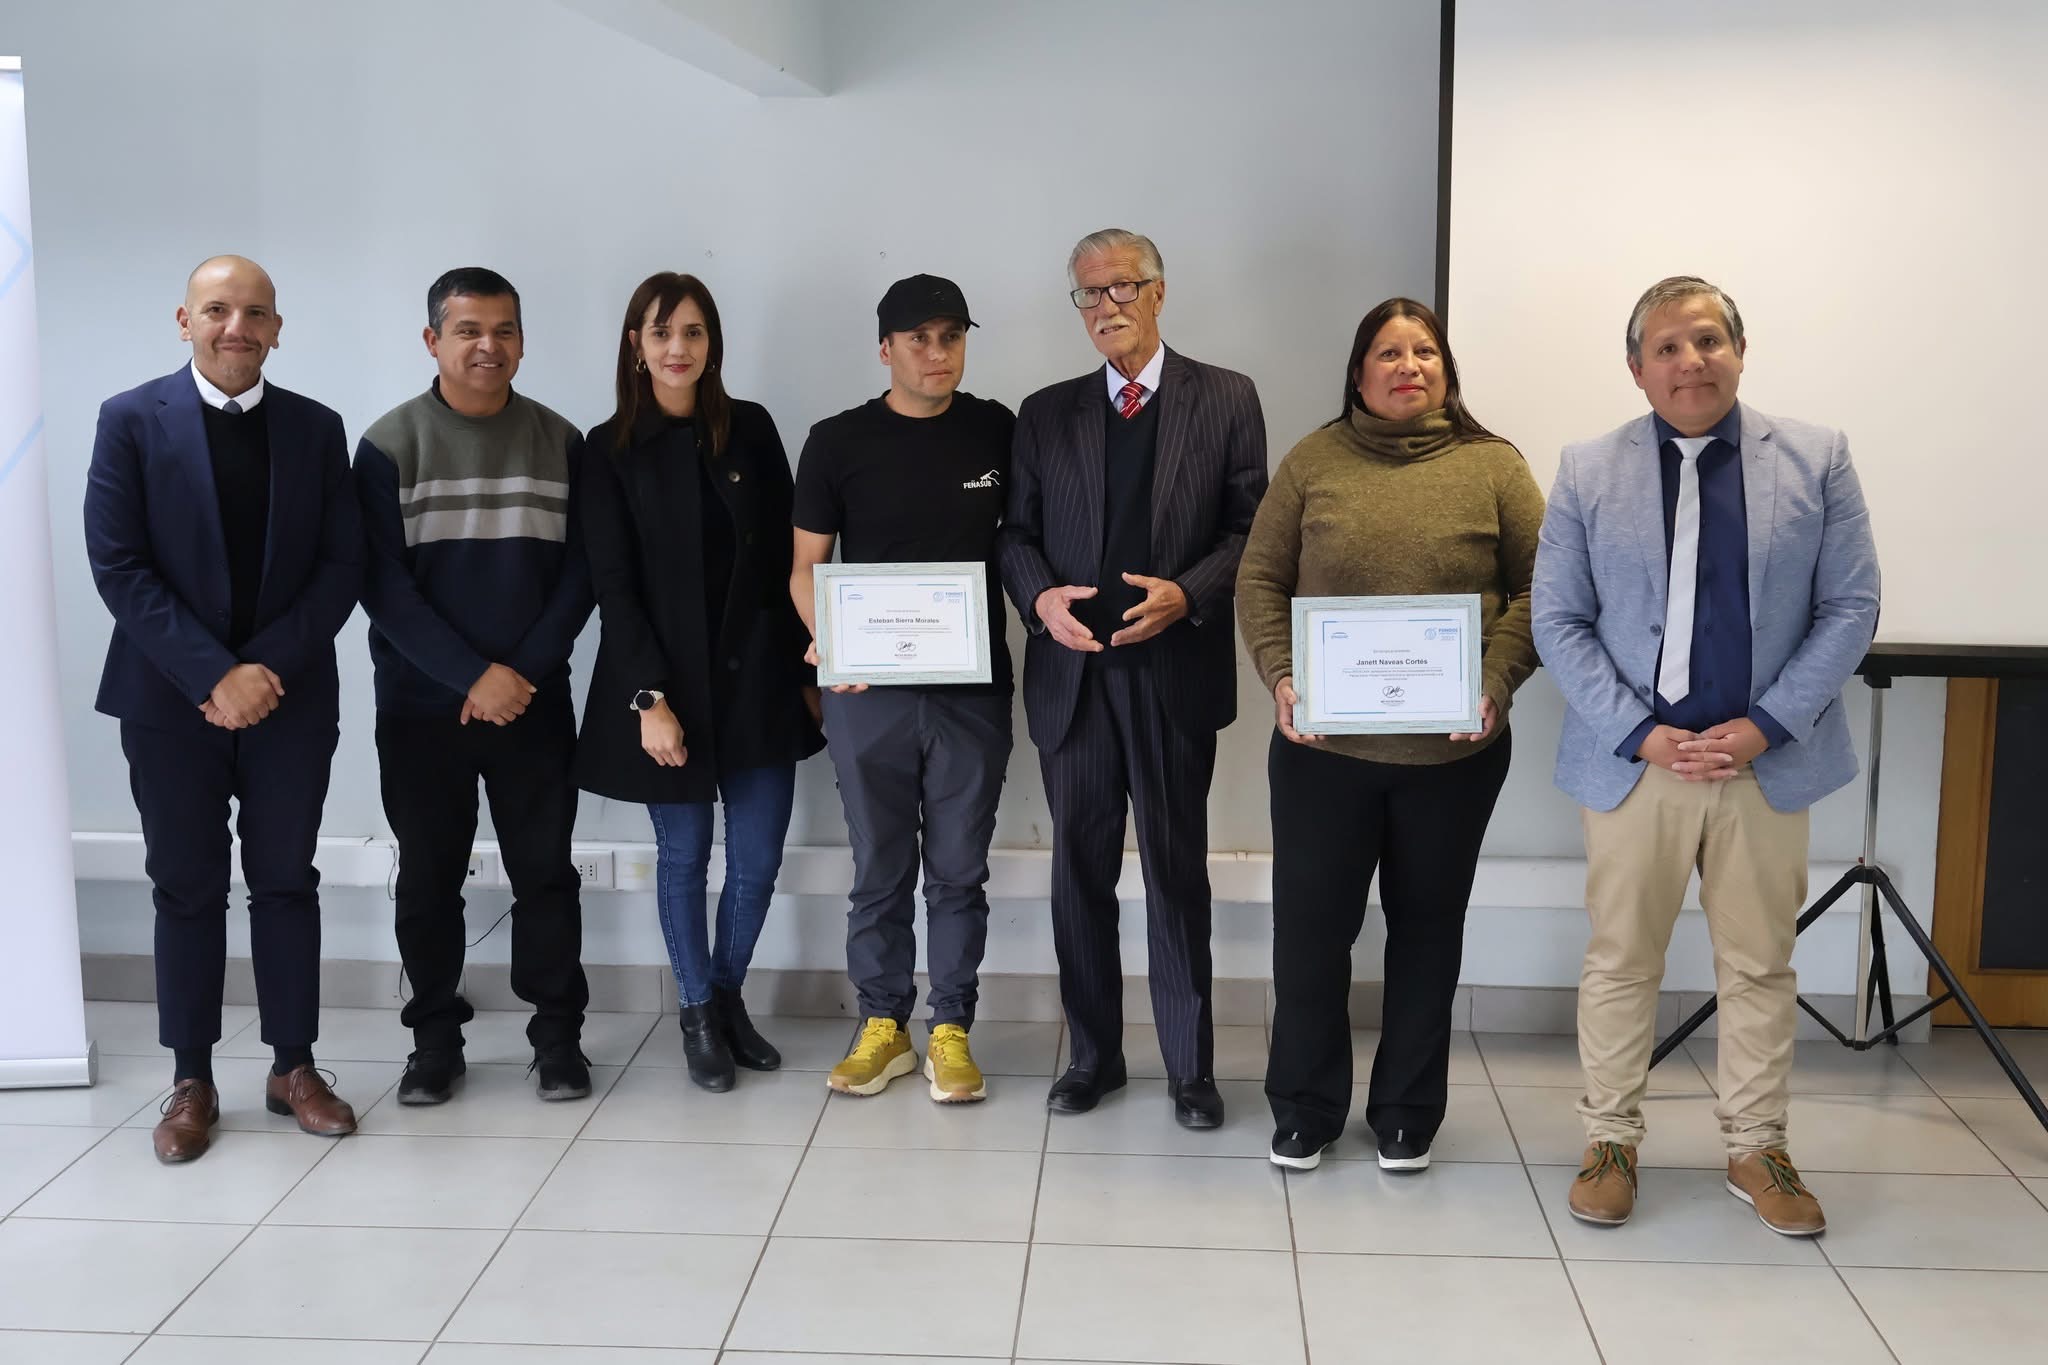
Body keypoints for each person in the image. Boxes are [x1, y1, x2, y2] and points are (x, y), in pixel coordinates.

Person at [1532, 274, 1880, 1236]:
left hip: (1763, 763)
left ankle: (1757, 1145)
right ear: (1637, 368)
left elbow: (1851, 605)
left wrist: (1769, 722)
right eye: (1668, 347)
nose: (1691, 361)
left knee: (1760, 963)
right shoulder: (1588, 468)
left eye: (1708, 341)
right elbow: (1558, 618)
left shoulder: (1815, 457)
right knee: (1621, 959)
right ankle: (1610, 1140)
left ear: (1739, 351)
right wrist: (1639, 731)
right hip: (1636, 763)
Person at [1237, 297, 1544, 1172]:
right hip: (1322, 755)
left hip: (1453, 756)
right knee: (1310, 937)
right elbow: (1260, 579)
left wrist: (1494, 680)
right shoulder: (1313, 460)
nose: (1409, 365)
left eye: (1425, 351)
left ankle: (1408, 1112)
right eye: (1388, 352)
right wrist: (1281, 674)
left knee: (1427, 934)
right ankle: (1305, 1107)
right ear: (1358, 372)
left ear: (1446, 369)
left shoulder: (1494, 466)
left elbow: (1543, 588)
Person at [84, 255, 363, 1162]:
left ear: (277, 328)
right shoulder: (130, 419)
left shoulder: (317, 428)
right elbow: (118, 564)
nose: (235, 326)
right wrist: (213, 675)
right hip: (168, 701)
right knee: (186, 883)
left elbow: (341, 566)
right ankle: (191, 1078)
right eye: (216, 309)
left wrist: (261, 671)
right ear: (185, 321)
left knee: (285, 879)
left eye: (254, 312)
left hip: (289, 695)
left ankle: (293, 1066)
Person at [999, 229, 1268, 1128]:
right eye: (1090, 292)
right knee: (1077, 873)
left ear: (1159, 291)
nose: (1107, 305)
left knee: (1175, 872)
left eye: (1123, 287)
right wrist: (1040, 601)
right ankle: (1093, 1056)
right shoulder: (1045, 413)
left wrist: (1187, 594)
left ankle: (1191, 1068)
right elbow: (1015, 534)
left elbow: (1252, 529)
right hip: (1072, 677)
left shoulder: (1226, 397)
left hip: (1170, 673)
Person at [354, 267, 596, 1106]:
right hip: (422, 708)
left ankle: (558, 1037)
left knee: (546, 876)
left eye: (504, 330)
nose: (487, 345)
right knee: (428, 880)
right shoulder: (388, 444)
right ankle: (433, 1041)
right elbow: (383, 587)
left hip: (533, 702)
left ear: (522, 341)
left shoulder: (563, 442)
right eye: (467, 330)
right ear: (433, 341)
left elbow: (582, 575)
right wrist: (472, 676)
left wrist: (516, 675)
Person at [576, 272, 821, 1092]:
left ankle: (726, 995)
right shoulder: (607, 448)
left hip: (759, 679)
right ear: (635, 346)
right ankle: (694, 1012)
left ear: (712, 343)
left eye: (693, 332)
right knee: (683, 858)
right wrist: (649, 699)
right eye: (661, 333)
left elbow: (791, 562)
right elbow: (614, 587)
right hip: (665, 689)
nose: (677, 348)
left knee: (756, 860)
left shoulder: (751, 429)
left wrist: (813, 667)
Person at [790, 275, 1017, 1102]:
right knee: (880, 866)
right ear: (885, 348)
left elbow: (1028, 541)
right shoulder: (836, 441)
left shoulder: (997, 430)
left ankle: (950, 1028)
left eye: (951, 336)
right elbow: (805, 568)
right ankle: (882, 1024)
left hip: (971, 690)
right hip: (868, 690)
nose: (937, 352)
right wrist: (828, 638)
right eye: (918, 338)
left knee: (958, 869)